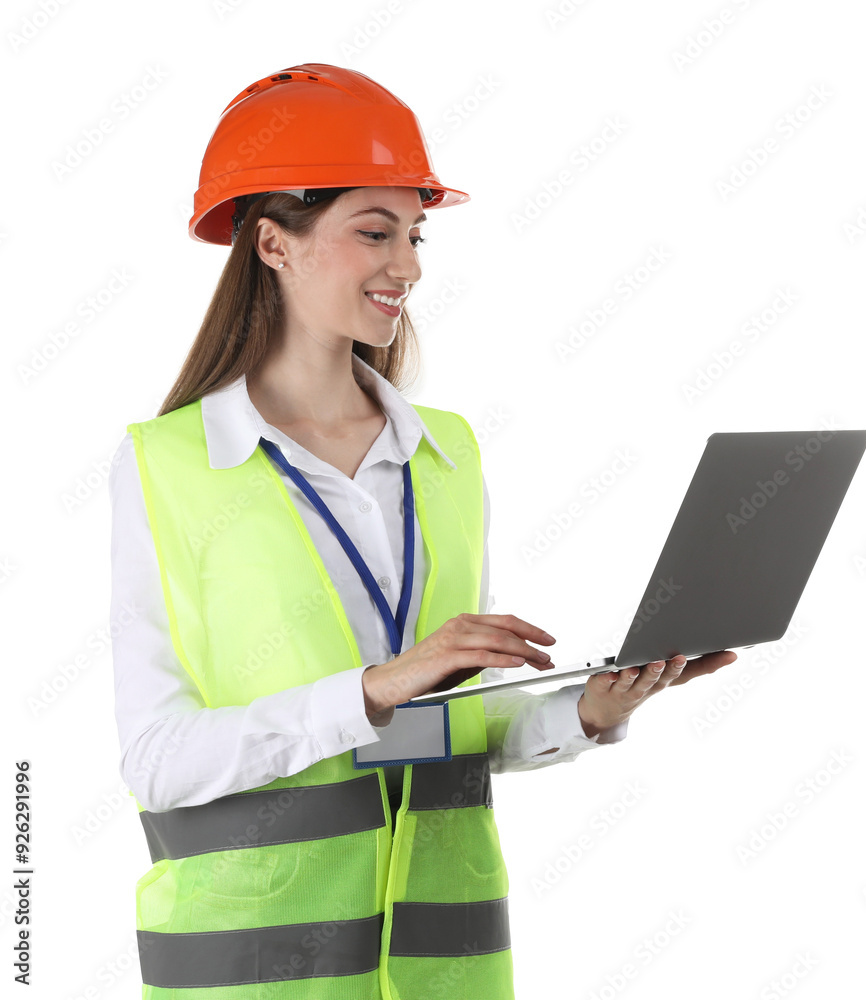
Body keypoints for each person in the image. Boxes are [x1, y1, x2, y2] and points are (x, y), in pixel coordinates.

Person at [109, 63, 736, 1000]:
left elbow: (438, 732)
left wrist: (590, 711)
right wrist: (372, 688)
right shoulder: (168, 465)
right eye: (374, 232)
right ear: (274, 244)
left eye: (415, 233)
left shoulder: (445, 455)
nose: (407, 266)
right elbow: (158, 763)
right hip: (251, 973)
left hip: (446, 973)